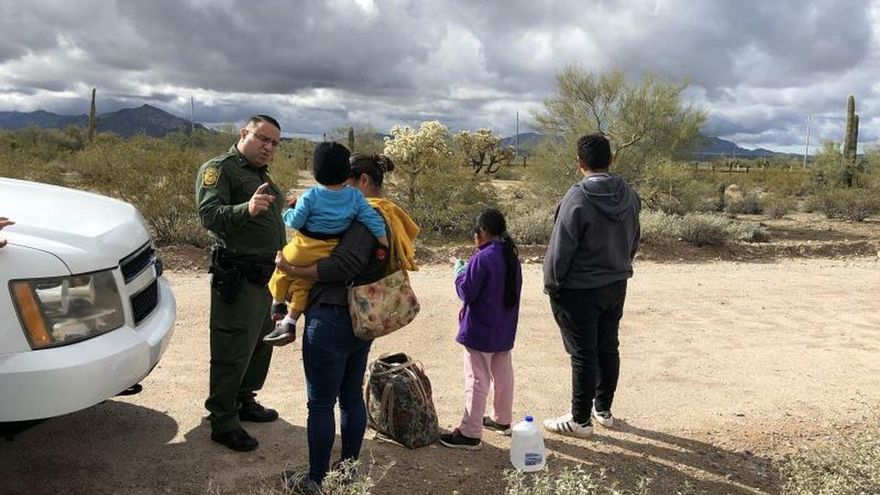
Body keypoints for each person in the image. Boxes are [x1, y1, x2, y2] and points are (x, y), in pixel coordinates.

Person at [275, 154, 419, 493]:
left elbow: (343, 265)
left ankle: (315, 480)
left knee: (321, 403)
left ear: (363, 182)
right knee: (350, 395)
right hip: (359, 318)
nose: (338, 191)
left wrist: (292, 271)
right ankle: (347, 471)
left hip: (332, 318)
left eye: (345, 183)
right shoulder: (379, 214)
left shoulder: (366, 217)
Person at [195, 114, 287, 452]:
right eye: (263, 139)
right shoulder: (220, 169)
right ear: (244, 133)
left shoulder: (261, 175)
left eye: (275, 143)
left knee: (260, 345)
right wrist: (245, 209)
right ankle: (222, 420)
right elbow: (209, 216)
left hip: (266, 278)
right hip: (238, 276)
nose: (269, 147)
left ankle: (244, 400)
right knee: (232, 349)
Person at [542, 133, 640, 438]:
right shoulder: (629, 195)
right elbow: (634, 237)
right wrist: (622, 264)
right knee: (608, 346)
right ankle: (603, 409)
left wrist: (552, 284)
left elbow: (561, 248)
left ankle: (580, 420)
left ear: (579, 162)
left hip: (580, 288)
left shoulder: (578, 197)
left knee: (584, 353)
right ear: (611, 160)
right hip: (616, 282)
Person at [264, 142, 388, 343]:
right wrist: (384, 242)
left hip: (304, 248)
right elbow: (372, 220)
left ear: (317, 172)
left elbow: (296, 221)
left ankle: (278, 303)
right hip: (328, 250)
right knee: (303, 284)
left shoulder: (310, 195)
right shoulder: (356, 197)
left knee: (281, 270)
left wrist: (287, 212)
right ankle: (290, 320)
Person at [440, 208, 522, 450]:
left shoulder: (482, 258)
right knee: (503, 374)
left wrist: (459, 272)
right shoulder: (511, 257)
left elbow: (466, 291)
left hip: (480, 329)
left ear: (483, 232)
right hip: (503, 329)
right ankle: (501, 420)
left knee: (477, 378)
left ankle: (470, 432)